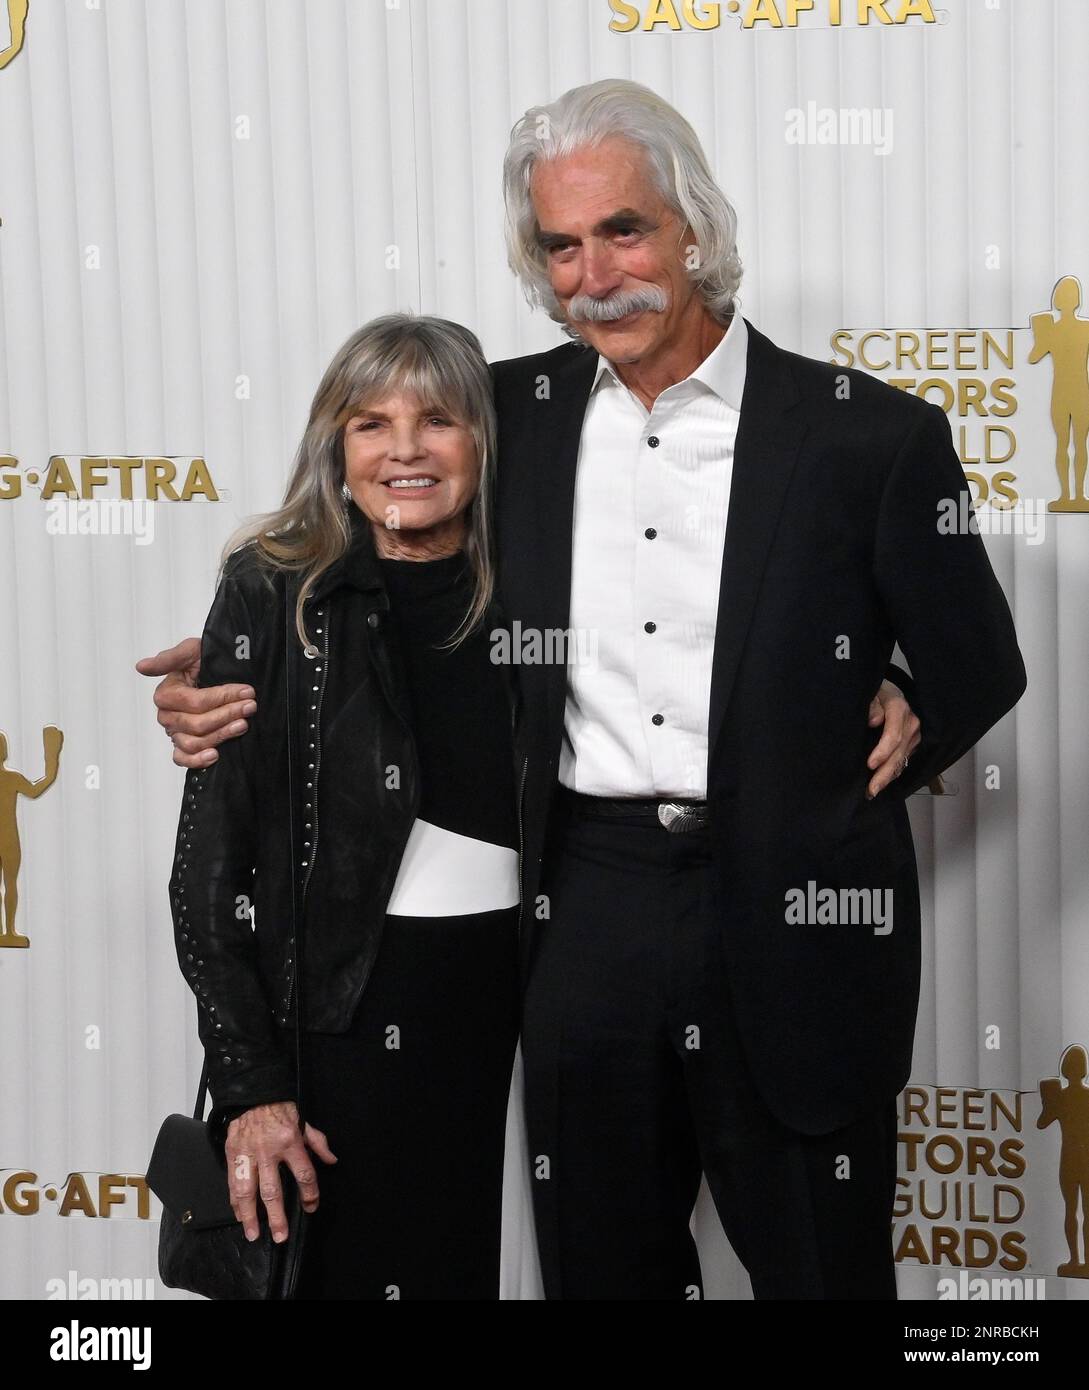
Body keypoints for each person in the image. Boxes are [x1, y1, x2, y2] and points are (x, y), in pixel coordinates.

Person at [138, 79, 973, 1300]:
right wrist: (230, 667)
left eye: (622, 231)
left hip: (793, 903)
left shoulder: (866, 436)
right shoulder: (508, 413)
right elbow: (377, 538)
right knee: (602, 1261)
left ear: (692, 227)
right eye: (560, 245)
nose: (593, 272)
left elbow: (978, 655)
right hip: (586, 902)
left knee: (821, 1264)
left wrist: (907, 688)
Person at [158, 313, 523, 1300]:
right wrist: (251, 1084)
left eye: (439, 419)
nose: (405, 449)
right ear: (336, 448)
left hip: (507, 1011)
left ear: (484, 441)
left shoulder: (538, 588)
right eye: (371, 423)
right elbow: (206, 874)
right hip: (341, 1022)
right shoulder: (273, 589)